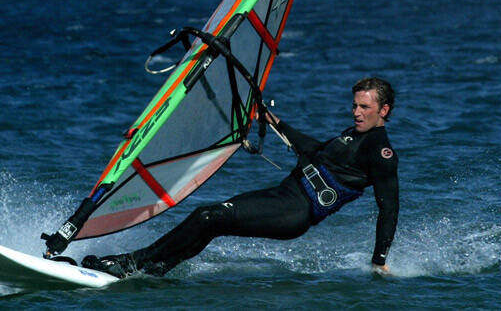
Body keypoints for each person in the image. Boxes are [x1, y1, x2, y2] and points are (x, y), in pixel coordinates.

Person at [82, 77, 399, 278]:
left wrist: (379, 260)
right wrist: (271, 119)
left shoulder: (380, 151)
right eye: (354, 105)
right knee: (212, 221)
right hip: (282, 196)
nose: (356, 112)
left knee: (208, 216)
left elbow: (389, 207)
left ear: (383, 110)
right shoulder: (352, 135)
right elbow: (315, 149)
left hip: (295, 212)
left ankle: (127, 265)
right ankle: (155, 268)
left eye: (364, 107)